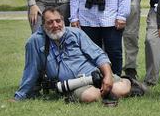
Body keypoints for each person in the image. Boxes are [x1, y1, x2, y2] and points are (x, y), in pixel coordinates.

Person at [12, 7, 145, 103]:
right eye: (50, 22)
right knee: (90, 96)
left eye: (58, 21)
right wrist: (20, 96)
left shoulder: (76, 33)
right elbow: (31, 70)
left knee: (119, 89)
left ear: (63, 21)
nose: (55, 25)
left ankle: (127, 81)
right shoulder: (34, 42)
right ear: (43, 25)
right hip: (71, 84)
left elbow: (99, 55)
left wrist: (108, 76)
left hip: (95, 75)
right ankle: (101, 93)